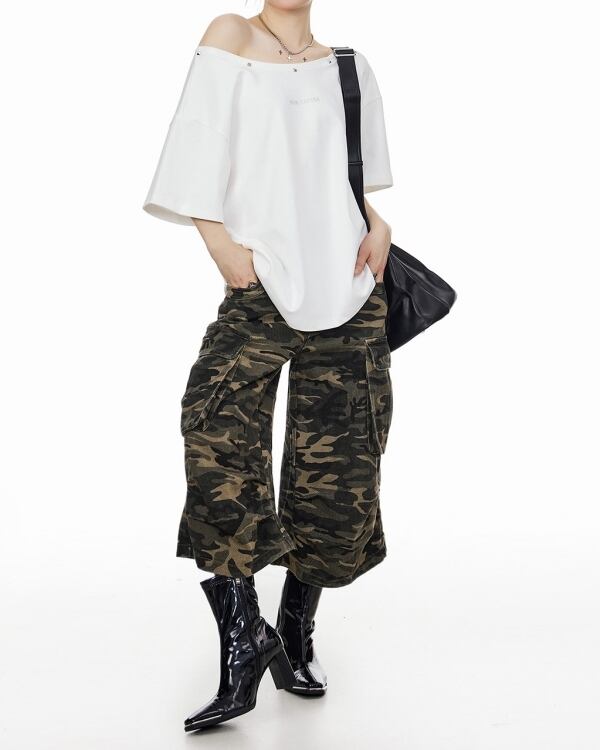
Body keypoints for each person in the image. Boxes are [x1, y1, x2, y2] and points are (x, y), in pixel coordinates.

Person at [142, 2, 394, 732]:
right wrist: (220, 244)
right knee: (215, 438)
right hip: (261, 290)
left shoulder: (349, 66)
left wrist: (379, 224)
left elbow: (346, 183)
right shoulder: (230, 35)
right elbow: (193, 149)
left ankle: (296, 629)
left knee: (341, 472)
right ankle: (244, 636)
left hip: (352, 290)